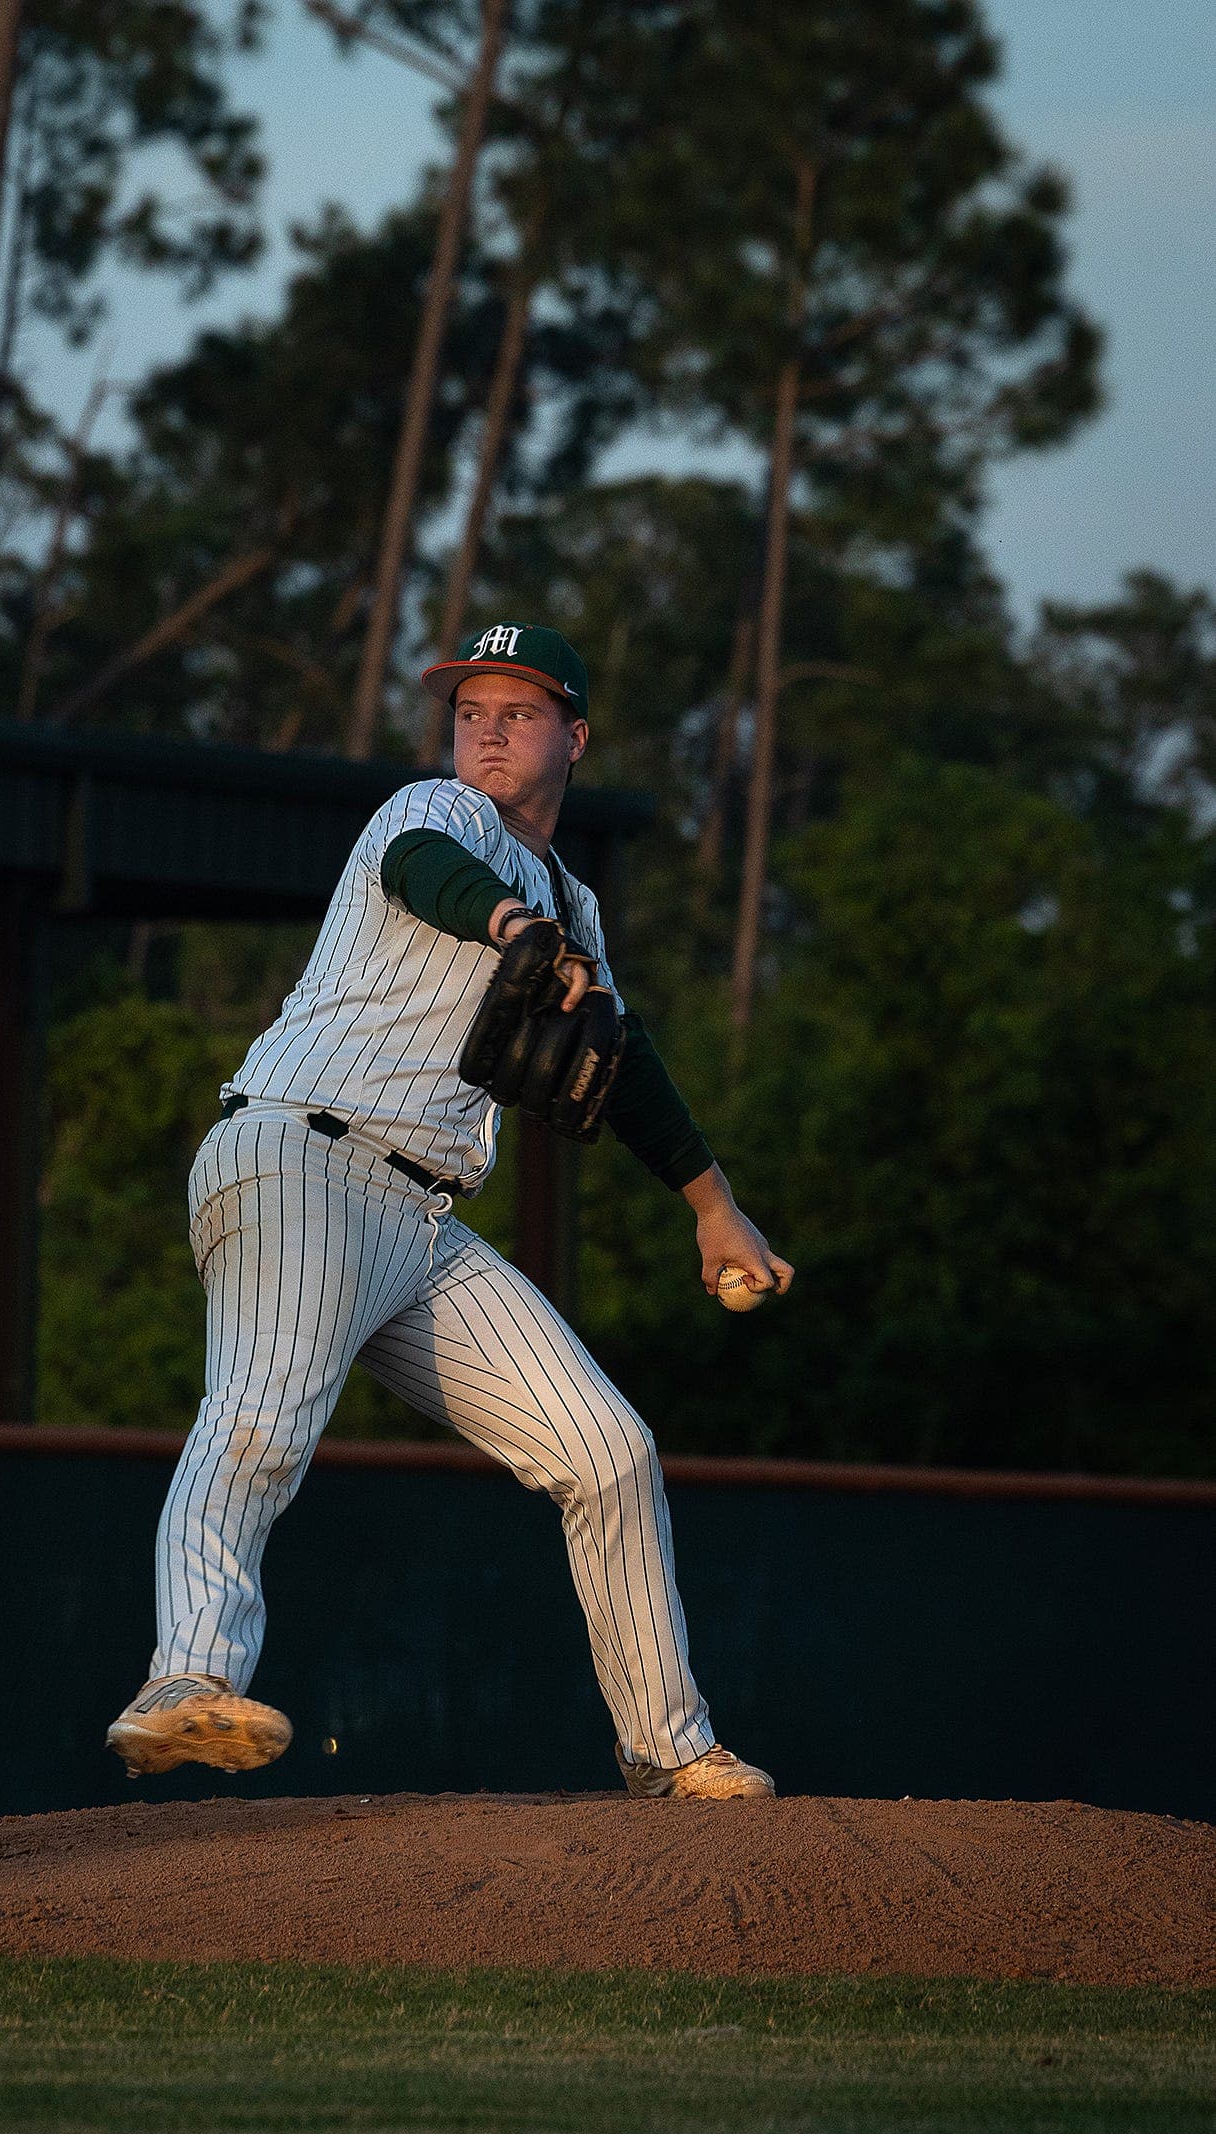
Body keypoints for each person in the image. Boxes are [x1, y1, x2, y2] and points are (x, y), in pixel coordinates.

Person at [106, 621, 794, 1801]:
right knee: (263, 1416)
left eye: (518, 712)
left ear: (575, 737)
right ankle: (185, 1677)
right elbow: (424, 871)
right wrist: (510, 926)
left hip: (422, 1222)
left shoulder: (572, 901)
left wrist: (714, 1206)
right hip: (298, 1156)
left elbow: (625, 1063)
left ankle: (669, 1747)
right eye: (471, 710)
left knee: (609, 1452)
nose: (486, 729)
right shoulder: (438, 812)